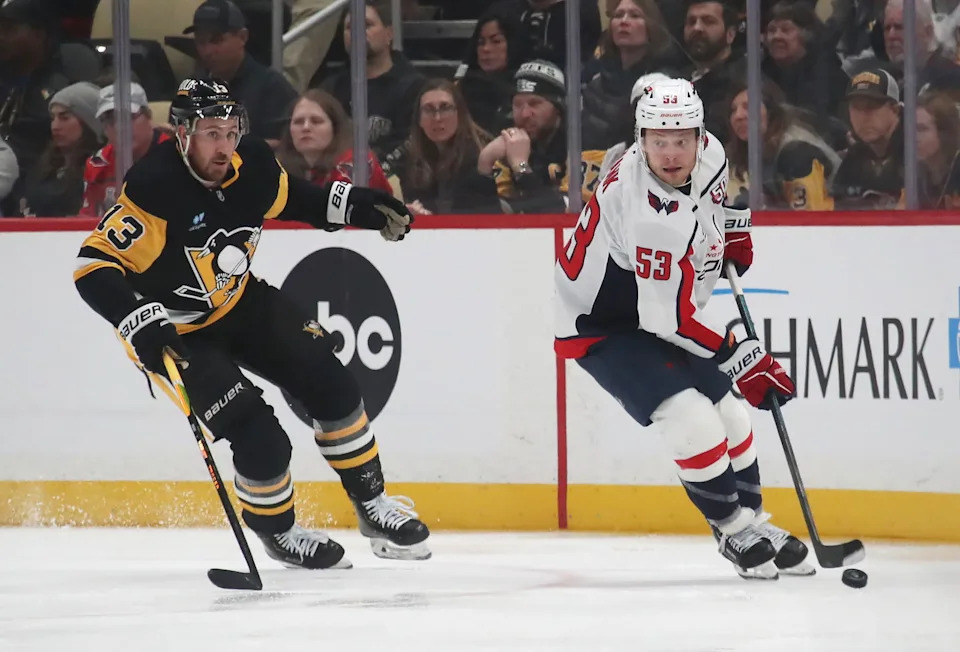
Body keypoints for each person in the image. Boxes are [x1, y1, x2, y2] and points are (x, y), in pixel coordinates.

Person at [72, 78, 429, 570]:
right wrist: (138, 320)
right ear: (181, 134)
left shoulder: (252, 163)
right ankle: (278, 533)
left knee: (332, 382)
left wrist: (360, 207)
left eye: (230, 130)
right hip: (177, 334)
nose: (223, 145)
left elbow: (298, 200)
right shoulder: (154, 188)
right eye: (210, 133)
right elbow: (93, 267)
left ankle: (372, 505)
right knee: (262, 438)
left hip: (239, 303)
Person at [553, 77, 809, 580]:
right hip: (603, 323)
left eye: (682, 139)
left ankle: (756, 522)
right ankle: (733, 529)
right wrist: (741, 355)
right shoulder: (648, 215)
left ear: (699, 134)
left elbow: (708, 209)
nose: (671, 153)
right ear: (640, 139)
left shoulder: (711, 154)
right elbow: (662, 320)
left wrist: (727, 234)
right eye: (657, 140)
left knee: (733, 415)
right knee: (690, 416)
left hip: (654, 299)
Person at [80, 82, 173, 218]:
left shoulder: (177, 155)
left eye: (129, 117)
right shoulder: (98, 163)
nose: (120, 128)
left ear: (148, 116)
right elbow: (86, 222)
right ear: (104, 129)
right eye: (110, 120)